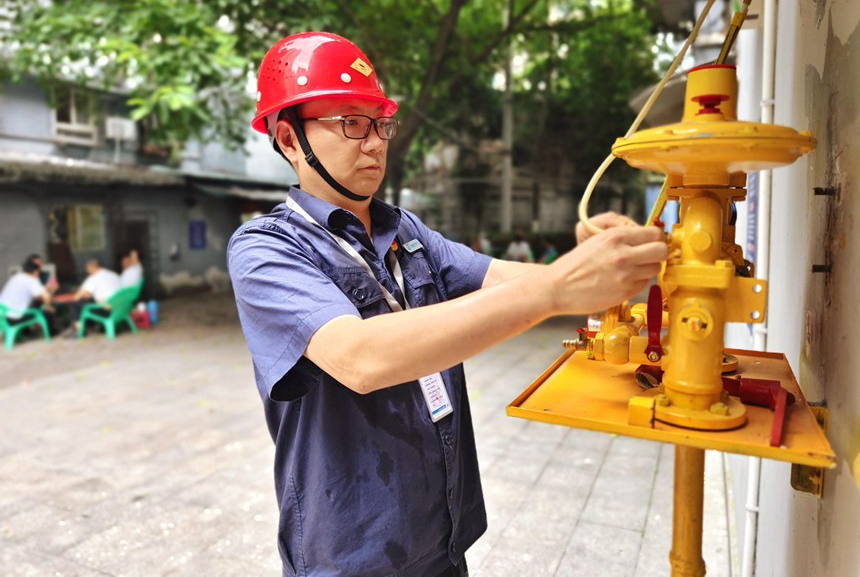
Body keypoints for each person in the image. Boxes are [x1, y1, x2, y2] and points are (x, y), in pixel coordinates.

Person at [227, 32, 667, 577]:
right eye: (351, 123)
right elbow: (360, 358)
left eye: (381, 123)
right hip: (351, 549)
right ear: (289, 139)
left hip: (442, 536)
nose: (375, 142)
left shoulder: (405, 231)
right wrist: (558, 288)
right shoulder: (266, 247)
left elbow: (504, 279)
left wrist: (603, 265)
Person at [63, 258, 122, 337]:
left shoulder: (93, 278)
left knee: (74, 304)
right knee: (88, 303)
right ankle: (97, 326)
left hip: (106, 311)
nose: (87, 272)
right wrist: (89, 295)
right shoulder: (114, 275)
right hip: (120, 308)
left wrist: (83, 294)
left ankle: (80, 331)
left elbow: (77, 297)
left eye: (87, 269)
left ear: (91, 268)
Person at [0, 255, 57, 333]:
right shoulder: (32, 280)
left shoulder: (16, 277)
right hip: (15, 317)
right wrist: (48, 306)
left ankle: (27, 332)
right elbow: (46, 296)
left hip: (2, 316)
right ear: (36, 271)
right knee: (45, 310)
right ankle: (52, 333)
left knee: (35, 305)